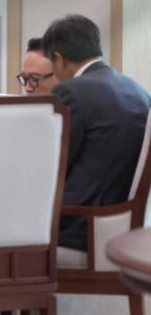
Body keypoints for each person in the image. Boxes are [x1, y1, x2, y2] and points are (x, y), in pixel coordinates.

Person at [42, 14, 151, 251]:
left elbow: (52, 165)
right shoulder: (137, 90)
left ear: (58, 58)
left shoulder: (70, 92)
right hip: (125, 223)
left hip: (79, 226)